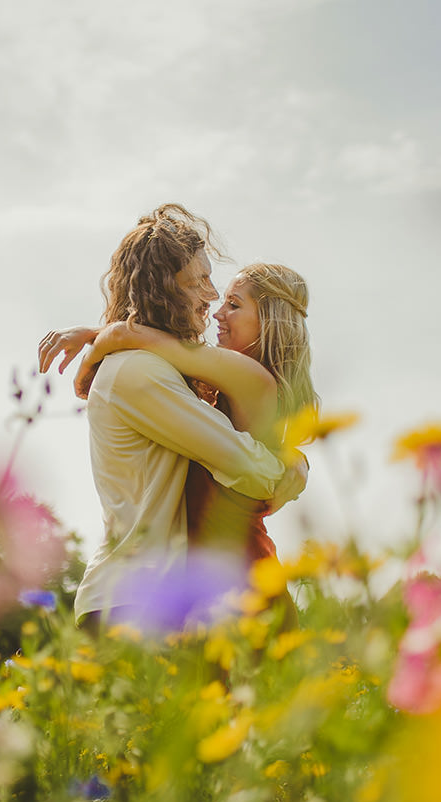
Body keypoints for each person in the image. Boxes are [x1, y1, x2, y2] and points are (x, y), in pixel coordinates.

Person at [39, 205, 306, 632]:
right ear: (165, 286)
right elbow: (253, 471)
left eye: (230, 299)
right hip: (135, 601)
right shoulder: (141, 372)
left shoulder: (169, 370)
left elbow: (154, 343)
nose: (213, 298)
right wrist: (288, 467)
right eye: (200, 281)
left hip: (184, 596)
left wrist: (105, 334)